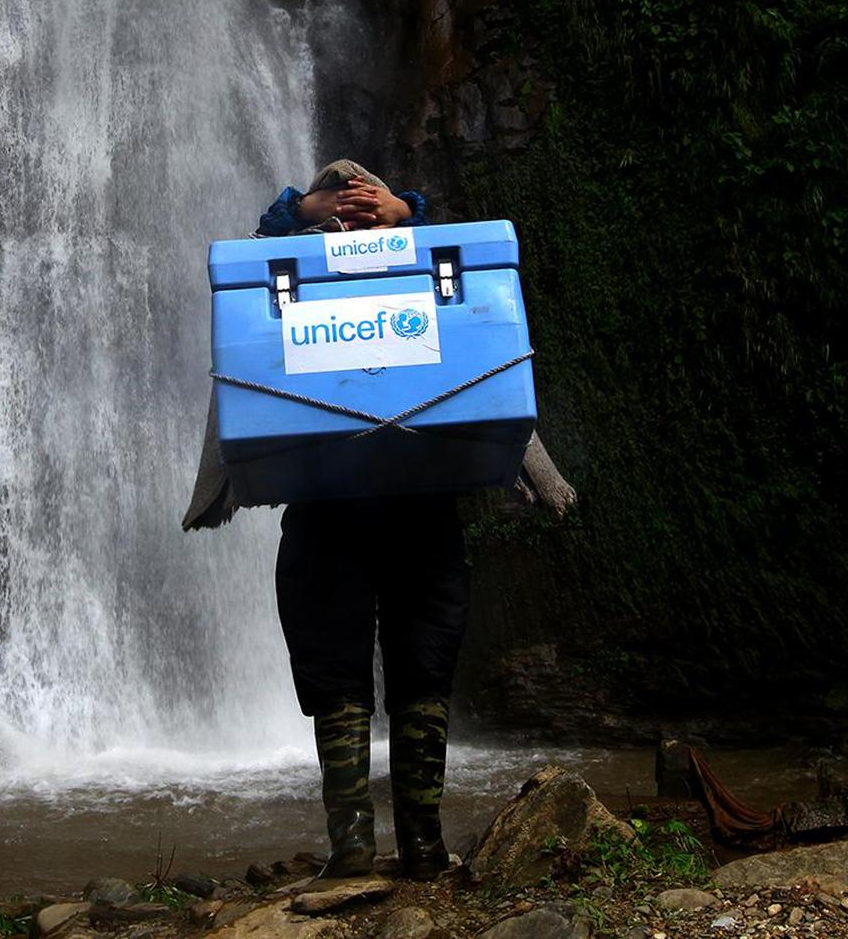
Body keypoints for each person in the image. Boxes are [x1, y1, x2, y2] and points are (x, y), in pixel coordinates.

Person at [184, 159, 574, 883]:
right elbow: (250, 269)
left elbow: (473, 286)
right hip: (330, 505)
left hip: (416, 500)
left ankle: (419, 841)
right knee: (334, 665)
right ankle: (356, 845)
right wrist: (300, 210)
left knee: (423, 659)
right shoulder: (287, 260)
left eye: (367, 199)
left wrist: (405, 213)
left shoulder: (432, 257)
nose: (355, 210)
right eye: (343, 199)